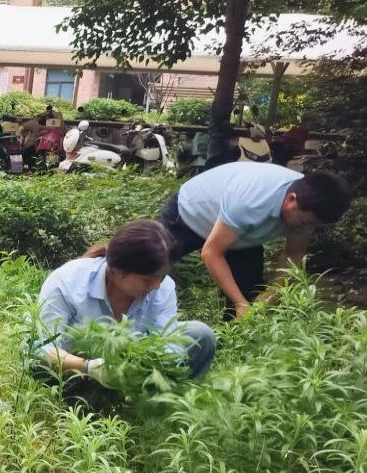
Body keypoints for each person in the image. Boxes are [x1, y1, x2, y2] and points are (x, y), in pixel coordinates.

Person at [33, 220, 216, 405]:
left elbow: (169, 342)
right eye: (147, 279)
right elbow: (41, 348)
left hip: (132, 368)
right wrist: (90, 367)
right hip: (75, 369)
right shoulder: (67, 283)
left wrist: (148, 369)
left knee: (200, 335)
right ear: (116, 272)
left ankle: (162, 404)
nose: (156, 285)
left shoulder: (163, 288)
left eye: (161, 277)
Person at [157, 163, 350, 320]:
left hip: (241, 233)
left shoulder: (308, 208)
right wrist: (241, 304)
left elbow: (293, 254)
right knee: (149, 264)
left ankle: (228, 349)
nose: (304, 228)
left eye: (313, 225)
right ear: (291, 200)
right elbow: (211, 253)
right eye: (304, 222)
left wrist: (271, 294)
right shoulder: (251, 201)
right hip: (191, 213)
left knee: (248, 295)